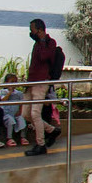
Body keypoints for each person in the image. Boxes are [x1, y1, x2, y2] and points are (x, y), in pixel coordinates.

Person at [24, 18, 61, 156]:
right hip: (31, 82)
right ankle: (51, 130)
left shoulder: (49, 43)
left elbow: (45, 57)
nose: (30, 32)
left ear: (39, 30)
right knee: (25, 114)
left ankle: (41, 144)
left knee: (35, 113)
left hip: (41, 82)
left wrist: (42, 40)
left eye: (32, 29)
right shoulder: (37, 43)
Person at [0, 73, 28, 147]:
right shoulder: (3, 91)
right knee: (10, 120)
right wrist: (10, 92)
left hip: (15, 112)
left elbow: (21, 103)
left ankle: (23, 137)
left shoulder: (19, 93)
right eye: (11, 82)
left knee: (21, 120)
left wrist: (20, 111)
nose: (13, 84)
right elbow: (3, 100)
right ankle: (9, 138)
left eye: (15, 82)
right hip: (6, 113)